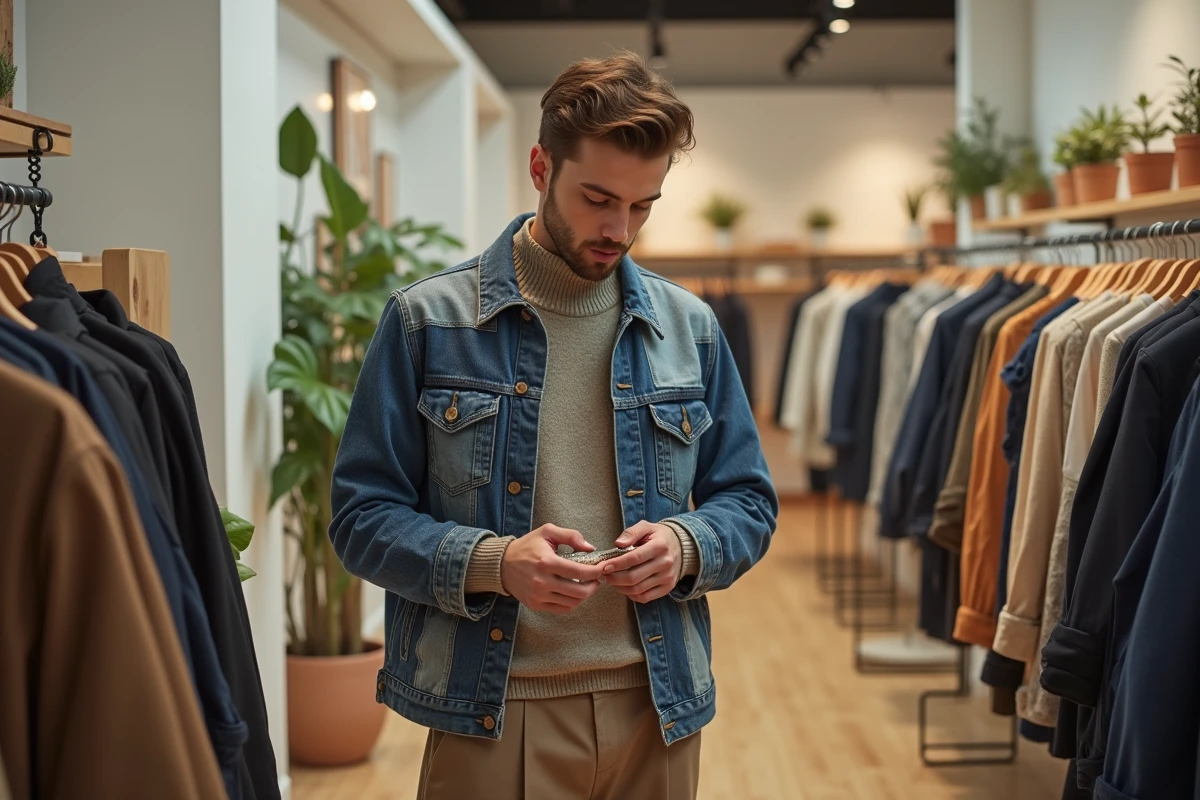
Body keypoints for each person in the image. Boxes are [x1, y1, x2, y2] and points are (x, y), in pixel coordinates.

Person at [329, 51, 778, 800]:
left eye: (643, 205)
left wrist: (686, 543)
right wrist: (496, 563)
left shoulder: (689, 329)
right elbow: (360, 517)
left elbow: (749, 502)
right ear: (541, 167)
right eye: (598, 198)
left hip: (656, 709)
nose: (619, 228)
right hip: (493, 712)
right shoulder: (428, 321)